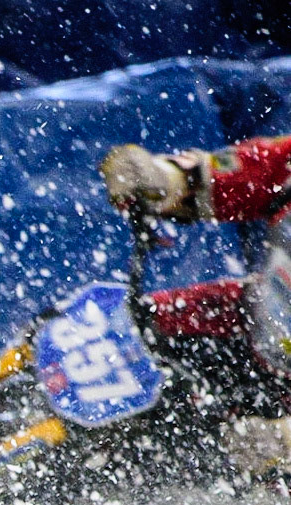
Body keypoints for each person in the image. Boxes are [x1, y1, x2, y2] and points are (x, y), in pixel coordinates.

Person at [99, 136, 291, 471]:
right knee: (124, 327)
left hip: (279, 410)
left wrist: (286, 438)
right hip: (246, 319)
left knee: (236, 468)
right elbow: (252, 170)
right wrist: (163, 179)